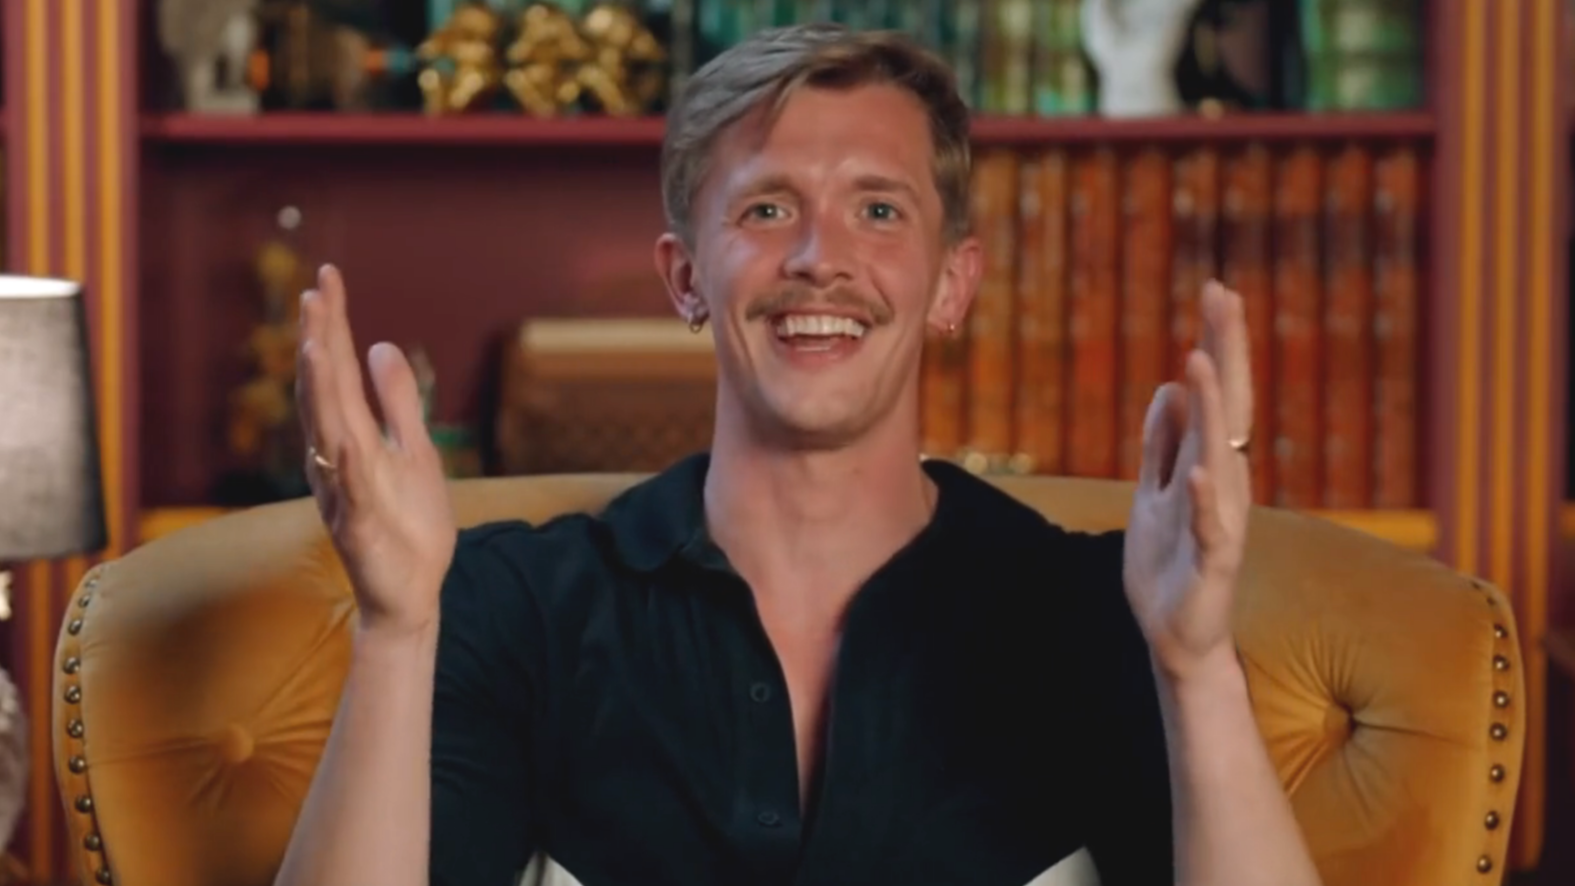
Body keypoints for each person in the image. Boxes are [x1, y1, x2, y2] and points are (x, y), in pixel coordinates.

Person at [272, 23, 1323, 886]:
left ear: (952, 283)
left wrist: (1194, 669)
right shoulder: (511, 606)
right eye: (769, 208)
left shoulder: (1102, 610)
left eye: (878, 210)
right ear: (686, 278)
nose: (821, 258)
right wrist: (395, 630)